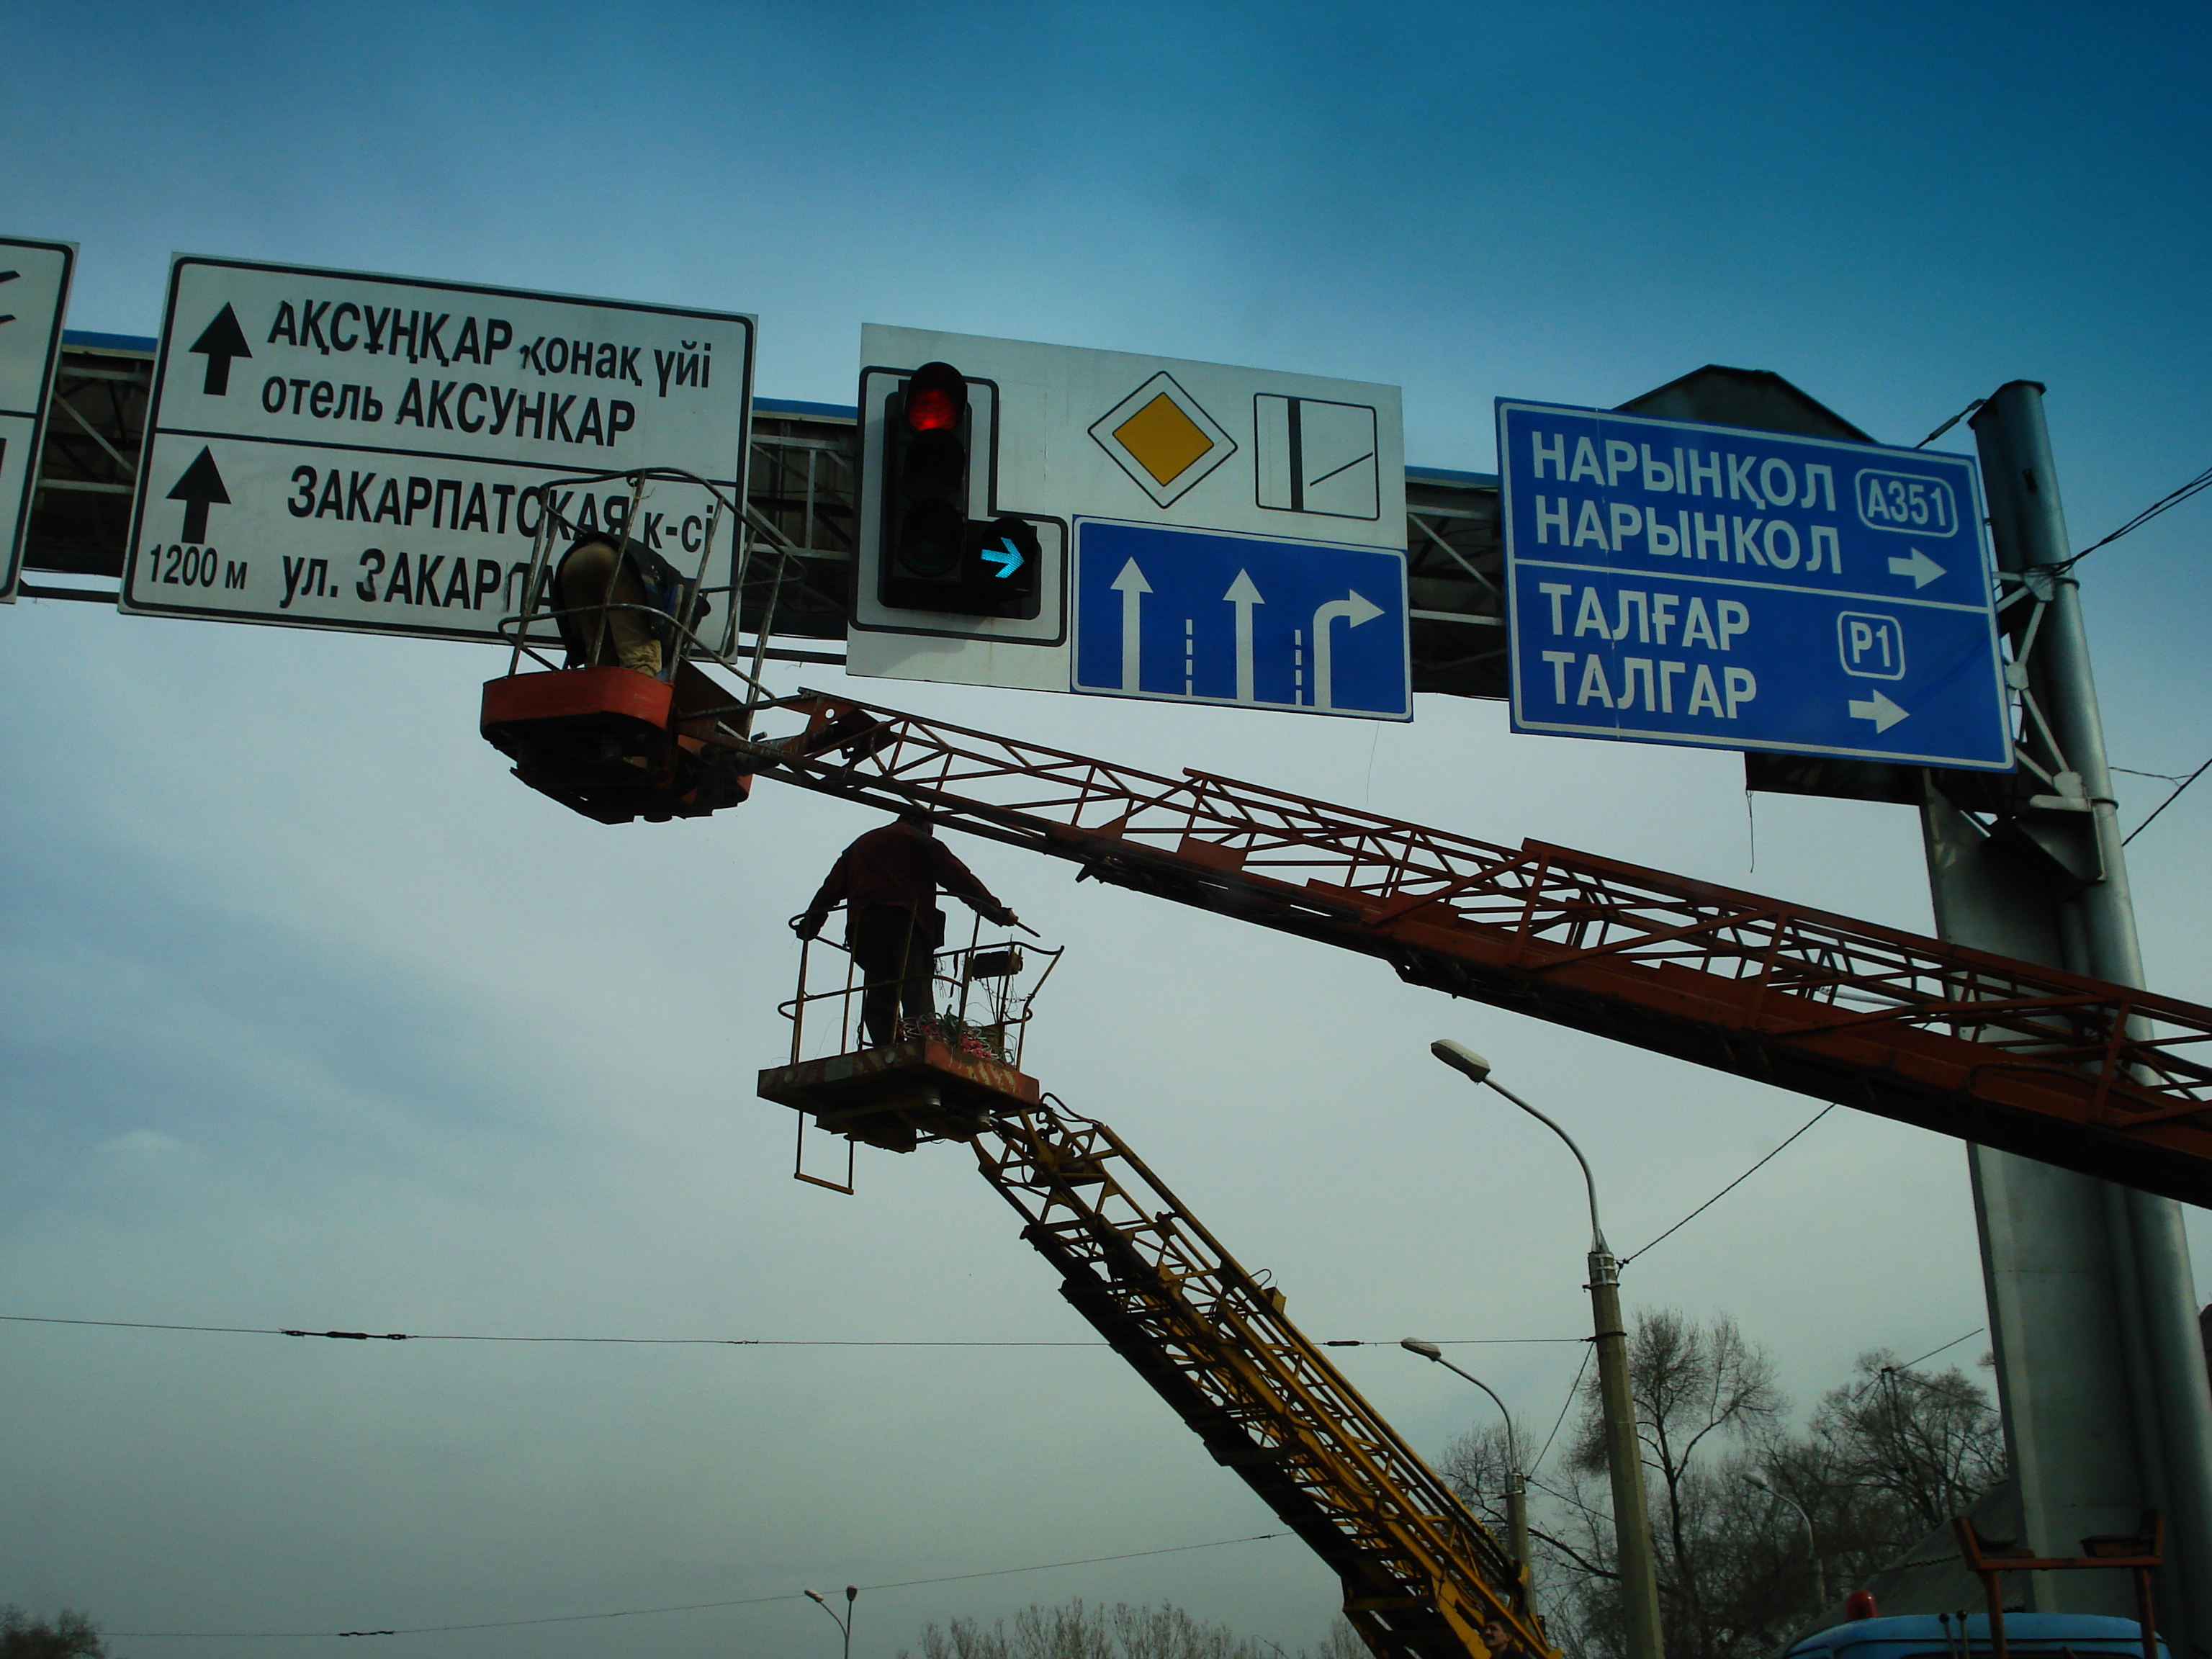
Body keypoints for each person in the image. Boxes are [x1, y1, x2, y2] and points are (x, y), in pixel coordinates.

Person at [794, 811, 1020, 1047]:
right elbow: (959, 878)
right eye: (929, 828)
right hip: (906, 920)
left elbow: (829, 889)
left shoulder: (861, 845)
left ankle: (884, 1044)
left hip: (865, 926)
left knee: (880, 987)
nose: (930, 832)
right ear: (915, 821)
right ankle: (923, 1042)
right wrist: (994, 911)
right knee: (916, 984)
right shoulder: (919, 839)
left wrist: (811, 924)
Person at [551, 527, 705, 677]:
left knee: (599, 660)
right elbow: (667, 629)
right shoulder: (687, 597)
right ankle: (639, 701)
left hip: (573, 560)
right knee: (641, 657)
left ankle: (603, 700)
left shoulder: (665, 577)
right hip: (614, 560)